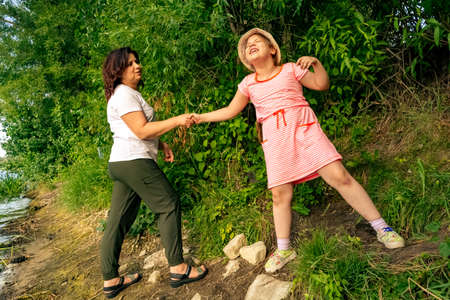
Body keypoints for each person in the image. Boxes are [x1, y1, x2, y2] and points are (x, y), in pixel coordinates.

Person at [192, 28, 405, 273]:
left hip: (304, 128)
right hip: (274, 137)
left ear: (272, 49)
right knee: (280, 195)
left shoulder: (291, 69)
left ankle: (382, 228)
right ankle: (284, 249)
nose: (250, 45)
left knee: (339, 176)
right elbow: (230, 111)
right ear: (246, 59)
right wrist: (200, 117)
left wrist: (315, 63)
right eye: (246, 46)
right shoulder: (248, 83)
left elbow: (321, 84)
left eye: (256, 41)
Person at [101, 47, 207, 298]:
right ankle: (179, 268)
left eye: (137, 61)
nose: (137, 66)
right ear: (117, 71)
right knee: (168, 204)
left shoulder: (124, 94)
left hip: (123, 162)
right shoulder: (124, 94)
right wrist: (178, 120)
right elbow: (141, 130)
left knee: (117, 222)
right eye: (129, 64)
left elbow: (135, 130)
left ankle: (111, 280)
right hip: (135, 161)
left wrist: (161, 144)